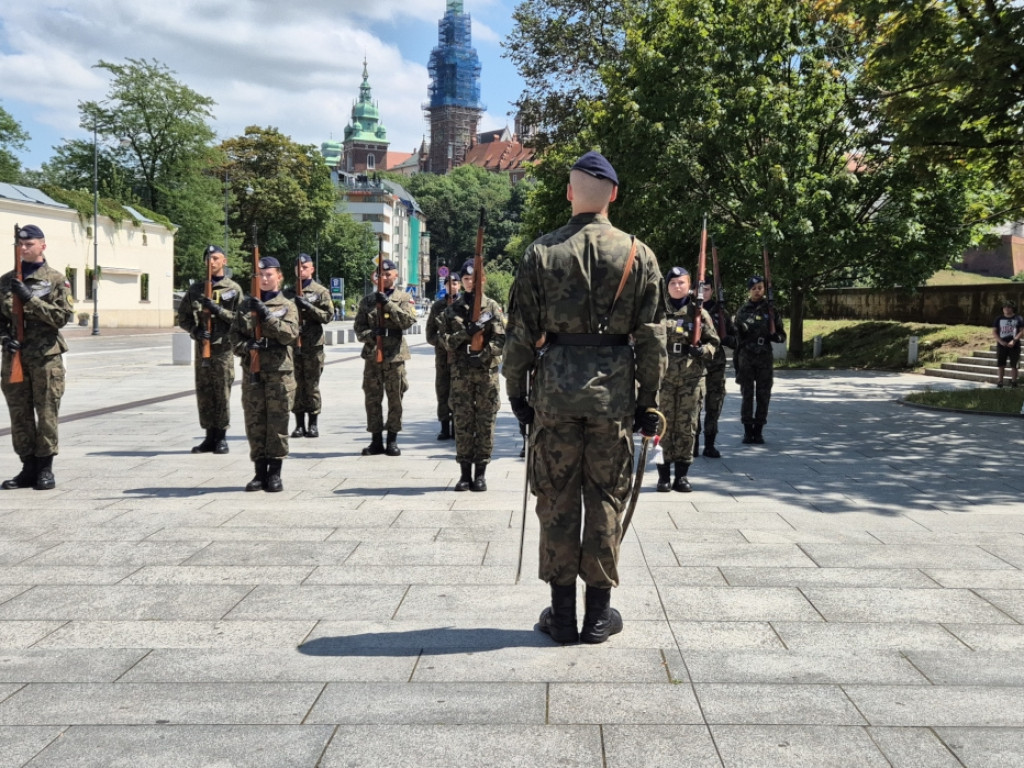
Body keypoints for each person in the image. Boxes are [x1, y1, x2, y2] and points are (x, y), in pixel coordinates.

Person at [503, 151, 666, 645]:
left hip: (555, 395)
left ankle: (561, 614)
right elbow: (653, 339)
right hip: (612, 399)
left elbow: (518, 336)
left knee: (555, 499)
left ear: (569, 193)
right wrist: (650, 402)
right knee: (605, 499)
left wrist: (517, 395)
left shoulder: (540, 253)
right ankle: (598, 616)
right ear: (614, 195)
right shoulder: (639, 255)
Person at [0, 224, 73, 490]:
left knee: (46, 412)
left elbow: (61, 317)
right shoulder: (6, 280)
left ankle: (45, 468)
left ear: (42, 245)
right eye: (20, 244)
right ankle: (27, 467)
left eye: (29, 243)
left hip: (45, 357)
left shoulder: (55, 279)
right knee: (19, 414)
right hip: (15, 357)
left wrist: (30, 298)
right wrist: (5, 338)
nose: (24, 248)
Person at [230, 256, 299, 492]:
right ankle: (259, 473)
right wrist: (247, 348)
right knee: (255, 422)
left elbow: (290, 335)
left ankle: (275, 473)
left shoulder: (288, 306)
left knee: (278, 423)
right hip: (254, 372)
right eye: (261, 275)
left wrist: (267, 317)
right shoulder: (244, 307)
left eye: (269, 274)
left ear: (279, 277)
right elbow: (234, 338)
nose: (265, 279)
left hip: (280, 373)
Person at [438, 259, 506, 491]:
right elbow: (444, 341)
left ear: (482, 280)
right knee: (463, 422)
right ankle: (464, 473)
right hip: (461, 373)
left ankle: (481, 474)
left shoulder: (492, 307)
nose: (469, 283)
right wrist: (465, 335)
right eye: (466, 279)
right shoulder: (452, 310)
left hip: (486, 373)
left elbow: (501, 339)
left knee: (486, 422)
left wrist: (484, 355)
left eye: (473, 279)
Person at [656, 267, 719, 492]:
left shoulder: (699, 313)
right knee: (662, 426)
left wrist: (702, 351)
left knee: (687, 426)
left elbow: (714, 343)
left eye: (682, 283)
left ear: (689, 285)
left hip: (691, 379)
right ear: (667, 286)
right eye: (673, 283)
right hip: (664, 379)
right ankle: (663, 475)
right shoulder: (657, 312)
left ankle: (681, 476)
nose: (677, 287)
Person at [176, 245, 243, 455]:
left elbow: (242, 320)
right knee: (204, 392)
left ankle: (221, 436)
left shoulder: (232, 289)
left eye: (215, 258)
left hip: (222, 349)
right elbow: (183, 317)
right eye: (208, 258)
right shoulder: (196, 289)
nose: (211, 262)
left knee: (222, 392)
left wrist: (218, 310)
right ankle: (208, 436)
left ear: (224, 261)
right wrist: (196, 331)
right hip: (202, 349)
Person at [353, 259, 417, 456]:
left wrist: (388, 304)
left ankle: (392, 439)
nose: (385, 277)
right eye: (381, 274)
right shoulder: (367, 301)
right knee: (372, 398)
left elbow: (408, 321)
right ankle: (375, 440)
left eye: (388, 274)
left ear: (395, 275)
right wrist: (372, 335)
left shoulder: (403, 298)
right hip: (373, 355)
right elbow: (359, 329)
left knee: (395, 398)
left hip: (395, 355)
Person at [733, 275, 785, 444]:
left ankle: (759, 430)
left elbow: (781, 335)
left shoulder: (771, 310)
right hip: (746, 356)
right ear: (749, 291)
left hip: (764, 356)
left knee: (764, 394)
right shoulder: (743, 310)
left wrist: (775, 336)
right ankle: (748, 431)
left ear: (764, 289)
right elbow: (737, 335)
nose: (757, 291)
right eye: (754, 288)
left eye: (760, 288)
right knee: (747, 394)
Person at [286, 253, 334, 437]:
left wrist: (308, 306)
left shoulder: (320, 292)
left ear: (312, 269)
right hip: (293, 346)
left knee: (312, 385)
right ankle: (299, 424)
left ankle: (313, 423)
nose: (301, 270)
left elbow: (328, 316)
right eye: (298, 267)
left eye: (305, 267)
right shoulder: (288, 293)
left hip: (313, 346)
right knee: (296, 385)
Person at [697, 280, 734, 458]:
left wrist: (730, 340)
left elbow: (735, 337)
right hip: (695, 366)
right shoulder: (691, 311)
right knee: (693, 406)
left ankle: (710, 444)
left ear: (712, 291)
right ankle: (693, 442)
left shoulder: (722, 313)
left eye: (707, 289)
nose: (704, 292)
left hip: (716, 366)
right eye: (701, 289)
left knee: (714, 405)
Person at [425, 272, 461, 440]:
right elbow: (430, 334)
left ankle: (458, 425)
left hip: (461, 357)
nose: (452, 286)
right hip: (442, 357)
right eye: (449, 283)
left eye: (455, 283)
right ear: (445, 286)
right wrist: (443, 342)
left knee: (460, 391)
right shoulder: (438, 306)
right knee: (443, 390)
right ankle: (444, 426)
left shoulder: (465, 304)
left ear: (459, 285)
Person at [993, 300, 1024, 388]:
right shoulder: (998, 318)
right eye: (1005, 307)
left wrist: (1014, 340)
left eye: (1009, 307)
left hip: (1014, 345)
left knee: (1014, 364)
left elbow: (1021, 331)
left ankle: (1014, 382)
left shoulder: (1018, 318)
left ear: (1013, 308)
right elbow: (994, 332)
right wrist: (1000, 341)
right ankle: (1000, 381)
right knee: (1001, 364)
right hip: (1001, 345)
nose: (1006, 309)